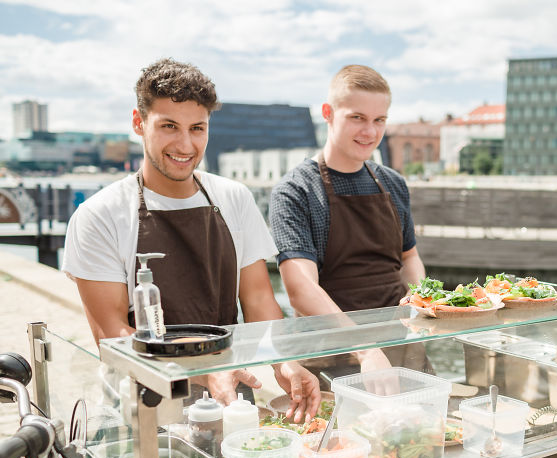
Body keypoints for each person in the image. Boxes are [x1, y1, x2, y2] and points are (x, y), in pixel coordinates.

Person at [62, 58, 320, 421]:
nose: (185, 144)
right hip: (144, 409)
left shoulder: (234, 197)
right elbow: (114, 337)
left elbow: (260, 299)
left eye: (197, 128)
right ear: (139, 123)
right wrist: (206, 371)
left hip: (231, 398)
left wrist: (284, 363)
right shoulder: (98, 216)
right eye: (169, 126)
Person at [269, 65, 427, 374]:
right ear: (328, 112)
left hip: (401, 347)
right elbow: (301, 291)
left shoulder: (394, 183)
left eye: (379, 120)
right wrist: (364, 350)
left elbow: (410, 257)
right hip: (330, 356)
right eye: (357, 118)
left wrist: (419, 296)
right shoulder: (295, 191)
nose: (370, 132)